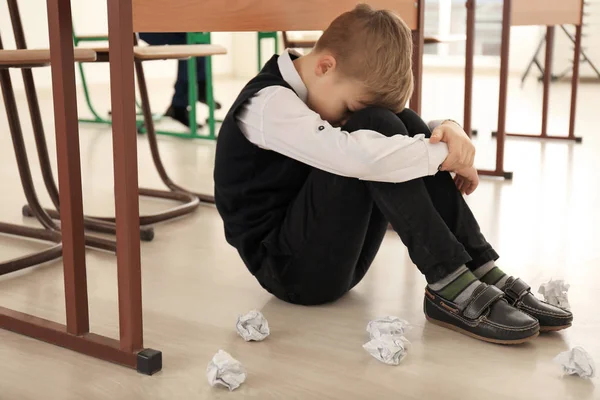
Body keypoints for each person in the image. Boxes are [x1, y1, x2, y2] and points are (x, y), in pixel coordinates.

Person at [214, 4, 572, 344]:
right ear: (325, 67)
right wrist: (448, 154)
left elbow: (393, 139)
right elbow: (356, 158)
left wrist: (447, 131)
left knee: (395, 122)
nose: (342, 119)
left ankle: (478, 266)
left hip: (336, 259)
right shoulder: (267, 104)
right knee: (372, 126)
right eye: (347, 106)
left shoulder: (321, 81)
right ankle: (448, 281)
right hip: (292, 273)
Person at [138, 32, 221, 127]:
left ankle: (186, 100)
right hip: (143, 27)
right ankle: (182, 104)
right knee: (191, 42)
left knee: (198, 39)